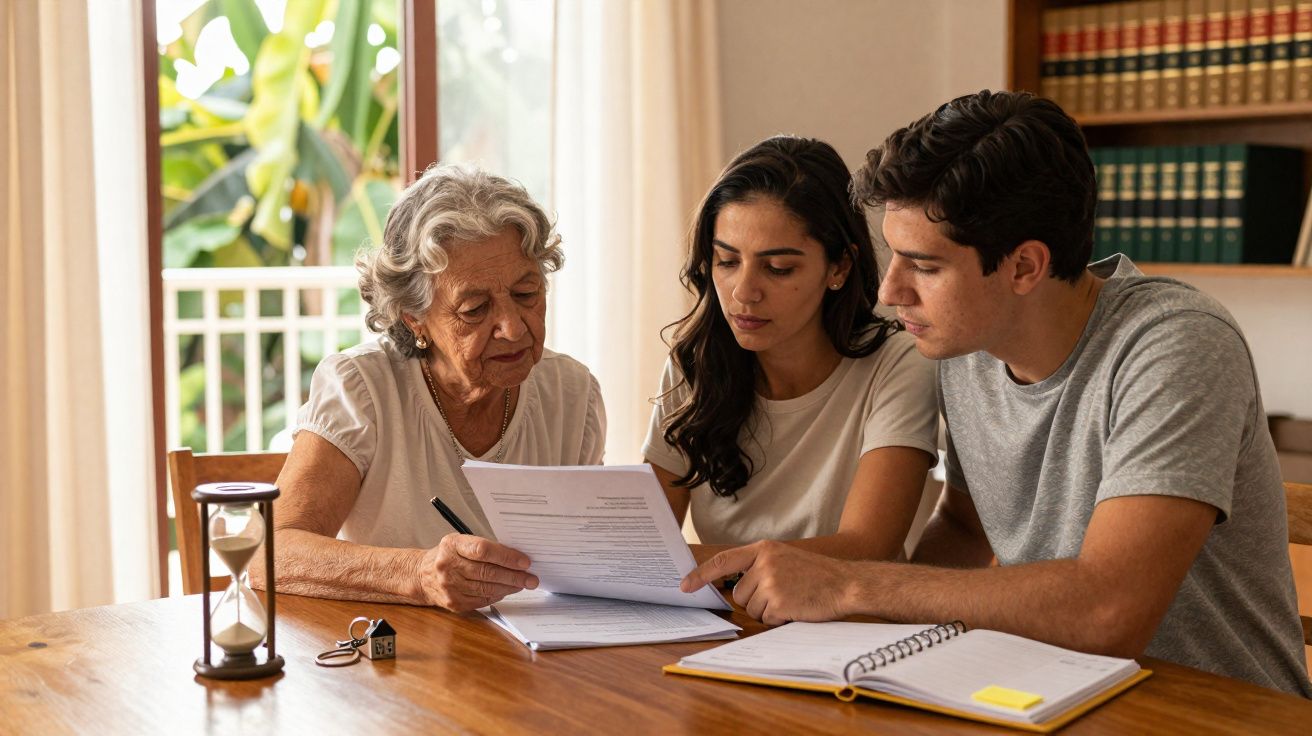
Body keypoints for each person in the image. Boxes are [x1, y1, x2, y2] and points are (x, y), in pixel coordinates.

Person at [680, 91, 1312, 696]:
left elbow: (1108, 611)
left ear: (1025, 267)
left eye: (924, 266)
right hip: (1053, 698)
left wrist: (850, 586)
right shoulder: (968, 350)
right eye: (894, 259)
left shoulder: (1174, 346)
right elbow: (962, 527)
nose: (888, 292)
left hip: (1215, 713)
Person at [263, 165, 605, 613]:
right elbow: (272, 554)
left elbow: (589, 560)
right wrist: (418, 574)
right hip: (398, 663)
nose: (513, 327)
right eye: (475, 309)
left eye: (527, 294)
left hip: (533, 660)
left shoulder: (572, 394)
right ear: (414, 319)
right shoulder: (362, 389)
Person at [643, 136, 938, 564]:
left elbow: (867, 548)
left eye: (778, 268)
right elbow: (642, 545)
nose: (744, 292)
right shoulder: (695, 362)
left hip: (853, 624)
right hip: (730, 620)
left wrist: (693, 563)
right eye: (727, 261)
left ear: (839, 266)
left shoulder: (898, 365)